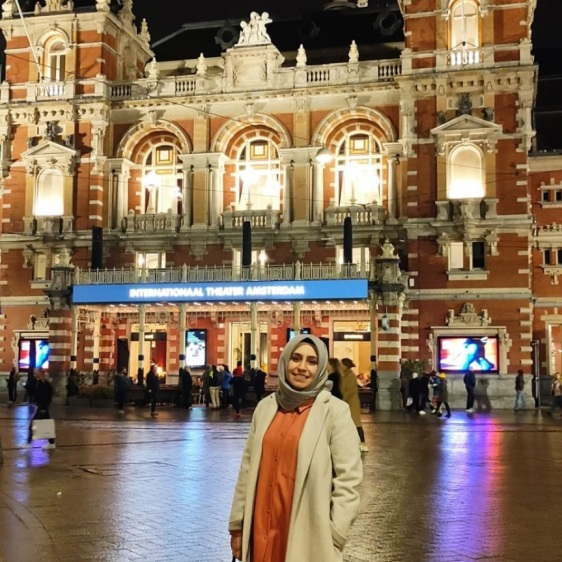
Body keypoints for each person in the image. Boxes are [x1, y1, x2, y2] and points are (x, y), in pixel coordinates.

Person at [229, 335, 362, 562]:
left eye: (312, 361)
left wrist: (335, 534)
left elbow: (348, 479)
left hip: (307, 534)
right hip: (260, 527)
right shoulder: (266, 407)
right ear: (285, 362)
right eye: (296, 358)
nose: (302, 367)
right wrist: (238, 525)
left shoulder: (334, 411)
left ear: (321, 367)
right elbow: (247, 468)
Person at [340, 357, 368, 452]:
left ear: (345, 366)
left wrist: (341, 400)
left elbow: (349, 391)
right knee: (352, 424)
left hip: (351, 403)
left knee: (356, 424)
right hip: (348, 403)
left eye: (341, 364)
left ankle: (362, 443)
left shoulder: (350, 376)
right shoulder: (345, 374)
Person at [28, 369, 56, 449]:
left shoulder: (43, 383)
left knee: (32, 424)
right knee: (47, 424)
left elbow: (45, 395)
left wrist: (43, 407)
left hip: (42, 407)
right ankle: (51, 443)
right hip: (43, 406)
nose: (34, 375)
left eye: (35, 373)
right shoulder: (42, 383)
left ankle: (28, 442)